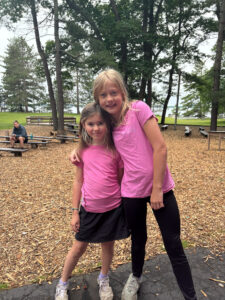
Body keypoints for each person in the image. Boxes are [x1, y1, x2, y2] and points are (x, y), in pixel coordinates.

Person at [70, 69, 197, 300]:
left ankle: (190, 296)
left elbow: (160, 148)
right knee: (138, 240)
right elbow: (92, 136)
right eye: (103, 95)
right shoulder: (107, 122)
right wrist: (77, 151)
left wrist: (157, 188)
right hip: (131, 191)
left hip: (161, 188)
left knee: (173, 243)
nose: (109, 99)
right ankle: (136, 276)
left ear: (122, 92)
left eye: (113, 92)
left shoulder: (139, 109)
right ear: (97, 99)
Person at [55, 102, 129, 300]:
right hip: (89, 209)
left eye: (100, 123)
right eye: (91, 124)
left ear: (107, 124)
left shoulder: (116, 150)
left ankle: (103, 278)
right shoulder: (82, 151)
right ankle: (62, 283)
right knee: (78, 247)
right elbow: (78, 181)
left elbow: (120, 180)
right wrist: (74, 211)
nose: (96, 128)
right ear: (83, 125)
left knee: (108, 245)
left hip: (112, 208)